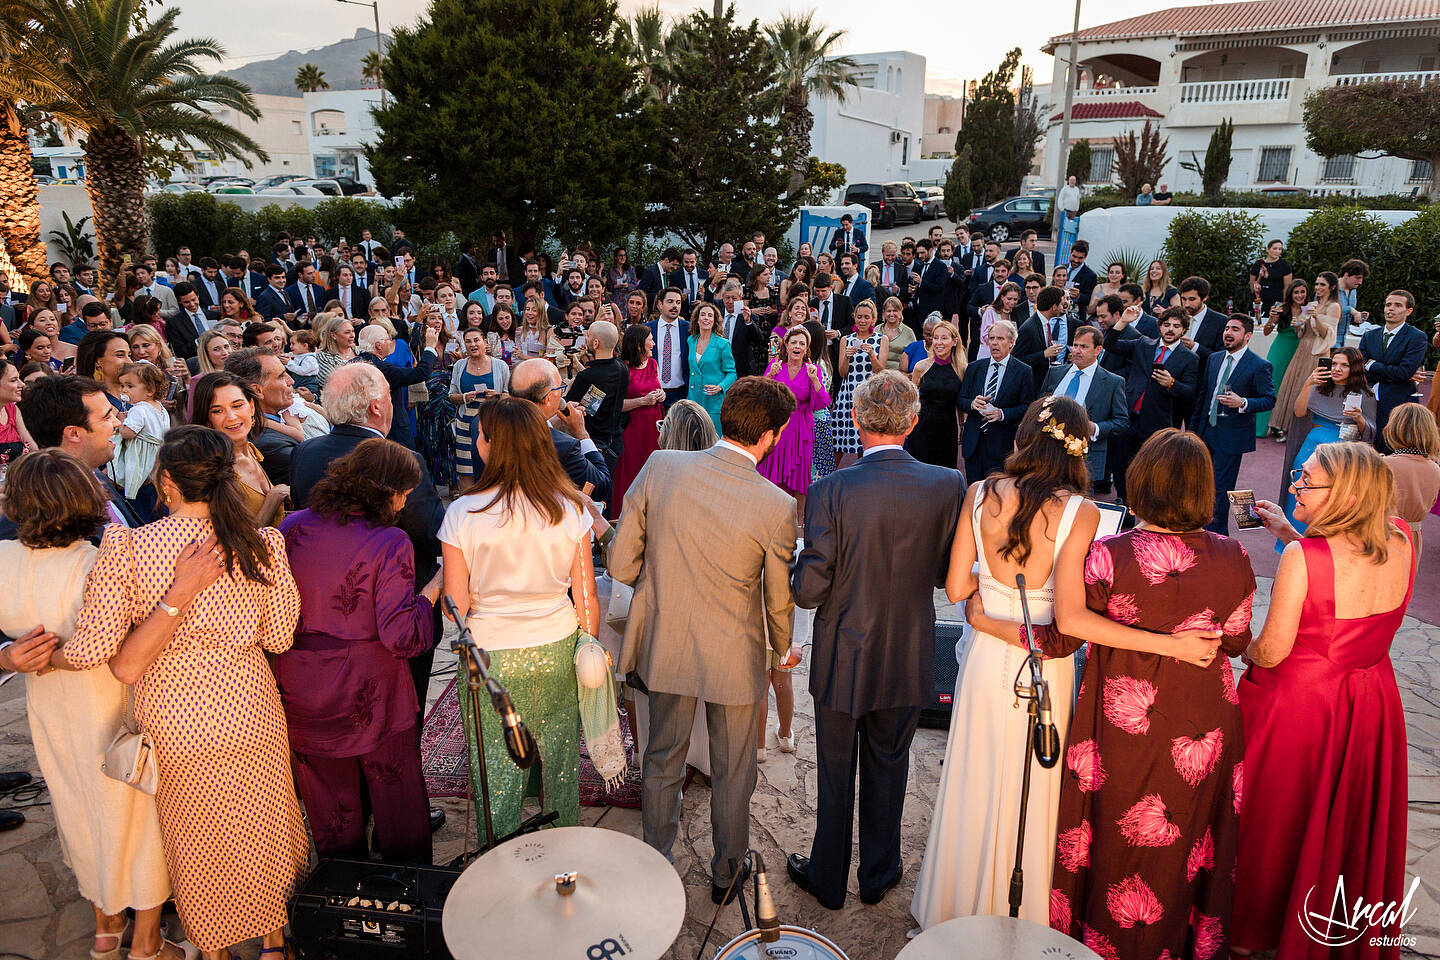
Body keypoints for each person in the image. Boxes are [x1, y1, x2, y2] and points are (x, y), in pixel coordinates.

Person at [62, 425, 306, 960]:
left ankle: (213, 948)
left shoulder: (127, 546)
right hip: (248, 704)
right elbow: (279, 637)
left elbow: (101, 654)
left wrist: (35, 657)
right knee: (263, 821)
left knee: (197, 836)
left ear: (166, 481)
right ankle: (273, 944)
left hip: (174, 714)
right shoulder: (262, 544)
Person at [1006, 429, 1249, 957]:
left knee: (1116, 832)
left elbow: (1063, 634)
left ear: (1141, 482)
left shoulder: (1108, 556)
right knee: (1189, 838)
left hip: (1124, 726)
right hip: (1202, 721)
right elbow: (1235, 639)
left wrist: (992, 622)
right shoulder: (1234, 555)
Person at [610, 376, 798, 905]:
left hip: (666, 643)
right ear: (770, 435)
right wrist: (783, 648)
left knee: (662, 758)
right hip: (735, 655)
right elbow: (777, 600)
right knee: (734, 771)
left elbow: (621, 563)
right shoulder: (777, 504)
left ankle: (656, 864)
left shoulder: (660, 467)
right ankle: (727, 874)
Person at [910, 395, 1096, 927]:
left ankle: (954, 903)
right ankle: (1022, 910)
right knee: (1033, 781)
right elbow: (1069, 614)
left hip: (986, 657)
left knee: (974, 771)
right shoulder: (1081, 513)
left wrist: (988, 594)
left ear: (1025, 436)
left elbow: (955, 589)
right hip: (1042, 664)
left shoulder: (981, 493)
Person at [788, 370, 964, 911]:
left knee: (835, 770)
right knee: (890, 764)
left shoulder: (829, 489)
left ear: (856, 421)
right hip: (908, 649)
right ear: (913, 423)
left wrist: (794, 566)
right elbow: (945, 575)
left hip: (843, 651)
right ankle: (878, 873)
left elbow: (809, 591)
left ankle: (827, 877)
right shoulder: (947, 484)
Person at [0, 450, 186, 960]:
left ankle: (107, 928)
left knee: (76, 807)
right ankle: (148, 942)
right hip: (113, 703)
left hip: (48, 707)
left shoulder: (3, 560)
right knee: (136, 817)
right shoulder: (99, 563)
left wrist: (8, 656)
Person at [1234, 443, 1416, 958]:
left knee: (1275, 822)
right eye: (1299, 474)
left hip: (1302, 707)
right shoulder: (1401, 537)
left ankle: (1249, 936)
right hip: (1371, 699)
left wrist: (1235, 641)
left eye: (1307, 481)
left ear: (1348, 495)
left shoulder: (1303, 559)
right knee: (1344, 822)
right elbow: (1343, 575)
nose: (1294, 486)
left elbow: (1271, 651)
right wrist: (1291, 535)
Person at [440, 397, 599, 845]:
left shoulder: (463, 513)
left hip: (491, 655)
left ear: (492, 445)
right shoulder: (569, 508)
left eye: (480, 434)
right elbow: (586, 596)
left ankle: (500, 856)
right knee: (559, 757)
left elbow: (455, 605)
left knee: (497, 761)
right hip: (556, 643)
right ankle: (563, 844)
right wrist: (589, 646)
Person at [279, 439, 442, 862]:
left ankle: (341, 885)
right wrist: (433, 591)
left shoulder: (291, 527)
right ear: (385, 492)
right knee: (396, 794)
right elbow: (402, 635)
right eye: (404, 493)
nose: (405, 502)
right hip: (370, 687)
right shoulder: (389, 541)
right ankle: (405, 888)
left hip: (304, 683)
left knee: (328, 799)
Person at [1104, 305, 1200, 502]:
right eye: (1166, 325)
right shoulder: (1143, 343)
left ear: (1183, 329)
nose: (1170, 329)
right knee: (1120, 464)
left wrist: (1172, 383)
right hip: (1127, 416)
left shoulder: (1190, 358)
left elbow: (1190, 392)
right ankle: (1125, 503)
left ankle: (1145, 505)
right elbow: (1110, 344)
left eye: (1176, 326)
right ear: (1160, 326)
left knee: (1151, 469)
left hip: (1156, 422)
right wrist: (1123, 321)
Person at [1190, 314, 1276, 534]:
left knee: (1220, 489)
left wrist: (1243, 402)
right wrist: (1193, 431)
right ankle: (1199, 526)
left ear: (1247, 336)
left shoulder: (1259, 365)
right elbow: (1203, 396)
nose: (1228, 333)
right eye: (1227, 328)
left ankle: (1217, 535)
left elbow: (1269, 399)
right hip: (1206, 430)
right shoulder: (1214, 358)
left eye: (1235, 329)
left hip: (1231, 436)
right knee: (1200, 483)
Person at [1281, 346, 1376, 531]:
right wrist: (1307, 384)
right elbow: (1298, 413)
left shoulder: (1366, 394)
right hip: (1310, 450)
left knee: (1328, 499)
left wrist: (1359, 418)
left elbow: (1370, 432)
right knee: (1300, 492)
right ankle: (1290, 539)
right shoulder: (1318, 387)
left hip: (1341, 454)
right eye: (1334, 364)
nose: (1337, 369)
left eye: (1344, 365)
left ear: (1354, 368)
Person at [189, 372, 288, 527]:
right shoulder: (212, 471)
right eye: (217, 411)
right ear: (207, 420)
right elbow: (237, 537)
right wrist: (274, 499)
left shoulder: (251, 451)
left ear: (252, 407)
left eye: (237, 406)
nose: (231, 417)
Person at [505, 359, 612, 502]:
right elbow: (602, 485)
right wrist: (582, 434)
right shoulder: (564, 447)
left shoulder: (484, 425)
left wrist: (553, 421)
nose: (562, 392)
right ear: (548, 398)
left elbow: (534, 426)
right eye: (561, 387)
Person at [1040, 325, 1129, 488]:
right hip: (1047, 455)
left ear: (1098, 350)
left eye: (1084, 347)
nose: (1077, 351)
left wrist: (1095, 428)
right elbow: (1039, 407)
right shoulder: (1055, 373)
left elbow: (1121, 421)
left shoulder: (1112, 382)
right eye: (1075, 345)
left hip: (1085, 460)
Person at [759, 325, 832, 522]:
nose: (797, 346)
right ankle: (771, 522)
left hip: (801, 432)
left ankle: (799, 526)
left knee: (800, 480)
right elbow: (761, 396)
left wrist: (815, 380)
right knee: (772, 479)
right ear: (787, 345)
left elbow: (822, 403)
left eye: (802, 343)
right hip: (777, 429)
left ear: (807, 348)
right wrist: (769, 376)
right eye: (794, 343)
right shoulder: (776, 365)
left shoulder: (813, 370)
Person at [958, 320, 1036, 485]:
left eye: (1000, 339)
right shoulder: (974, 368)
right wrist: (972, 404)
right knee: (973, 490)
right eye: (991, 338)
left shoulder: (1023, 371)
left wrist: (1002, 414)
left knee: (996, 492)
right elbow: (961, 400)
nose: (994, 343)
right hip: (973, 443)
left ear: (1011, 342)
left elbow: (1027, 407)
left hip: (1001, 445)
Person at [1269, 273, 1339, 441]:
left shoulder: (1334, 307)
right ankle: (1285, 428)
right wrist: (1298, 325)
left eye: (1322, 284)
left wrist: (1315, 317)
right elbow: (1301, 332)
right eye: (1317, 284)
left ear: (1332, 287)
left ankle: (1300, 431)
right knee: (1293, 388)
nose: (1318, 288)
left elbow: (1326, 334)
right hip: (1302, 349)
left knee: (1308, 391)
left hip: (1317, 352)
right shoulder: (1312, 304)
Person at [1360, 289, 1427, 453]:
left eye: (1397, 305)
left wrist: (1372, 365)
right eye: (1388, 304)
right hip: (1367, 400)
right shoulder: (1369, 336)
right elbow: (1360, 368)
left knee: (1391, 448)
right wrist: (1393, 372)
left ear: (1408, 311)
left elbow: (1404, 372)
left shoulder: (1416, 337)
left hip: (1397, 402)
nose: (1391, 308)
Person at [446, 327, 508, 486]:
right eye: (468, 341)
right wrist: (464, 397)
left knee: (494, 471)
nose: (472, 344)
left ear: (484, 342)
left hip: (493, 425)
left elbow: (511, 397)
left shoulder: (500, 366)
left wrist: (497, 396)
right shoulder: (460, 365)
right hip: (465, 425)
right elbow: (451, 395)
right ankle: (467, 501)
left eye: (476, 340)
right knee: (465, 472)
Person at [613, 325, 665, 510]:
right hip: (633, 429)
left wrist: (662, 394)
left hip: (654, 428)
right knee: (632, 469)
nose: (654, 343)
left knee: (654, 469)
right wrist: (643, 401)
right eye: (650, 340)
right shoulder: (622, 368)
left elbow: (658, 387)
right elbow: (616, 405)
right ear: (638, 345)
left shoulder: (653, 364)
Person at [564, 320, 627, 472]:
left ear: (596, 343)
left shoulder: (587, 377)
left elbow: (567, 409)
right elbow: (597, 393)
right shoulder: (622, 368)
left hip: (591, 446)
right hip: (615, 443)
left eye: (588, 335)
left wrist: (567, 387)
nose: (585, 338)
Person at [831, 299, 888, 465]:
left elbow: (881, 372)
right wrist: (847, 357)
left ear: (873, 319)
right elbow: (842, 373)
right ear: (854, 317)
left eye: (866, 317)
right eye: (859, 317)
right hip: (848, 395)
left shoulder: (881, 339)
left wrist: (872, 355)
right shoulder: (846, 339)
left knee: (866, 441)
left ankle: (863, 476)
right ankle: (829, 476)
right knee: (839, 439)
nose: (862, 321)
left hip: (871, 396)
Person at [1380, 403, 1440, 559]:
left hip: (1383, 534)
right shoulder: (1435, 469)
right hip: (1413, 536)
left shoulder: (1384, 465)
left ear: (1393, 429)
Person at [905, 319, 964, 468]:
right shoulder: (921, 367)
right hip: (921, 427)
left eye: (944, 338)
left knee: (945, 471)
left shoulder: (962, 369)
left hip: (947, 429)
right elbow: (912, 399)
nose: (939, 342)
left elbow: (961, 402)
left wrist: (962, 425)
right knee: (919, 470)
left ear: (954, 341)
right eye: (936, 338)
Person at [1258, 277, 1308, 439]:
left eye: (1302, 292)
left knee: (1290, 388)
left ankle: (1279, 425)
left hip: (1299, 351)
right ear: (1290, 294)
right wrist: (1272, 319)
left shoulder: (1309, 310)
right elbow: (1266, 332)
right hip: (1280, 350)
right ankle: (1260, 427)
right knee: (1272, 386)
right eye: (1296, 292)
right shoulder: (1282, 308)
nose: (1299, 295)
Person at [687, 302, 737, 434]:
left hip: (713, 401)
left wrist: (720, 387)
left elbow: (732, 373)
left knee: (713, 439)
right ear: (697, 319)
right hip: (693, 399)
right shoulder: (691, 340)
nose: (706, 318)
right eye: (702, 315)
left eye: (710, 315)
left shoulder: (723, 344)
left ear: (714, 321)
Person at [649, 288, 690, 406]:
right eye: (670, 301)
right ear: (660, 304)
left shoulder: (689, 329)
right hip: (653, 394)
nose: (675, 306)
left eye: (678, 302)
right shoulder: (647, 329)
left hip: (681, 394)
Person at [1248, 239, 1293, 318]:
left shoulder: (1284, 265)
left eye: (1280, 249)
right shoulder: (1258, 264)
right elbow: (1252, 284)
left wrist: (1284, 303)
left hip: (1276, 302)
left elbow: (1287, 287)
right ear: (1267, 249)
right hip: (1259, 302)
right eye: (1275, 248)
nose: (1277, 251)